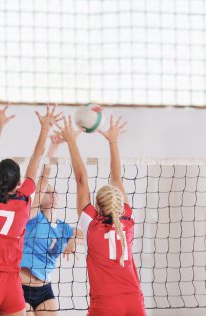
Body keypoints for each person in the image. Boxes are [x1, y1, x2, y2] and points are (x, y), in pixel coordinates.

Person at [0, 102, 62, 316]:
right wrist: (44, 129)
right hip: (12, 286)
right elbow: (37, 158)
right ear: (19, 183)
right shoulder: (25, 197)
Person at [56, 115, 145, 316]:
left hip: (106, 304)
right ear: (120, 205)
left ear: (96, 206)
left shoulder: (90, 224)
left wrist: (71, 140)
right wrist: (113, 141)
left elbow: (81, 179)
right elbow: (116, 178)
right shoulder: (128, 222)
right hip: (134, 301)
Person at [20, 135, 83, 315]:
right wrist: (53, 148)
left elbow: (90, 234)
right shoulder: (32, 216)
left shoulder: (64, 228)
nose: (53, 193)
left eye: (55, 191)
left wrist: (72, 239)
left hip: (45, 290)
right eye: (48, 192)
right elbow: (44, 178)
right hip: (20, 287)